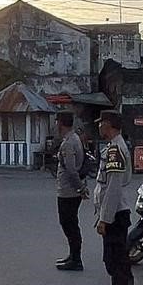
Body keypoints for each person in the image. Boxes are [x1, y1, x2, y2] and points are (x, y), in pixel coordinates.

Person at [94, 110, 133, 285]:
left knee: (115, 261)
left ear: (107, 124)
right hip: (115, 213)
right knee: (116, 260)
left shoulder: (114, 150)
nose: (99, 126)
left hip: (115, 215)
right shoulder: (114, 146)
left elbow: (113, 188)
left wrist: (105, 219)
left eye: (100, 123)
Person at [55, 112, 87, 271]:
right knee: (70, 223)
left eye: (57, 122)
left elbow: (71, 170)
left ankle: (76, 259)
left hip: (69, 192)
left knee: (69, 224)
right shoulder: (73, 139)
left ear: (61, 123)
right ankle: (73, 255)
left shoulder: (69, 143)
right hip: (70, 190)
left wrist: (80, 188)